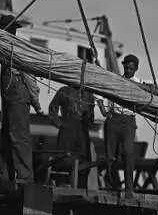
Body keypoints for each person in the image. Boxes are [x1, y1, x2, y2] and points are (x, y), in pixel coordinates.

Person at [0, 14, 43, 182]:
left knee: (18, 135)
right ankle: (5, 175)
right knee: (7, 134)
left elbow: (29, 77)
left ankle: (24, 176)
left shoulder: (17, 48)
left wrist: (36, 102)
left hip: (17, 93)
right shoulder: (3, 46)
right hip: (10, 95)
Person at [99, 54, 151, 196]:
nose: (128, 69)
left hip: (128, 122)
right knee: (110, 156)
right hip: (113, 120)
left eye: (131, 67)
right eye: (126, 66)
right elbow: (99, 93)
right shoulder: (116, 80)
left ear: (136, 68)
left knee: (128, 153)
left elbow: (157, 87)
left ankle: (129, 188)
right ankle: (112, 186)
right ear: (123, 66)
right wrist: (103, 110)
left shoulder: (140, 83)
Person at [47, 79, 95, 187]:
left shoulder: (89, 94)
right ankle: (62, 185)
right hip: (67, 128)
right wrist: (60, 124)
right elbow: (52, 109)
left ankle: (81, 188)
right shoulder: (64, 90)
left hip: (83, 130)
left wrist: (89, 121)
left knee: (85, 160)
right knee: (63, 158)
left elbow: (92, 114)